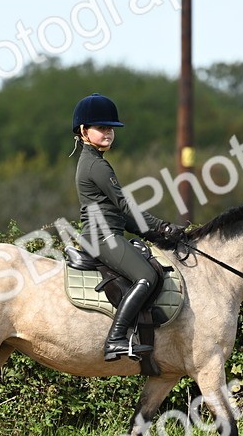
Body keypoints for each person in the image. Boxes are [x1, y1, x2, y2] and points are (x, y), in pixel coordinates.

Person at [72, 93, 186, 361]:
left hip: (109, 233)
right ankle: (116, 340)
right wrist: (162, 225)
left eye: (111, 128)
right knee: (147, 276)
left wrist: (160, 232)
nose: (108, 133)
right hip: (102, 238)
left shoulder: (96, 162)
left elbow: (124, 217)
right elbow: (125, 206)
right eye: (101, 128)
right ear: (83, 130)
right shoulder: (95, 166)